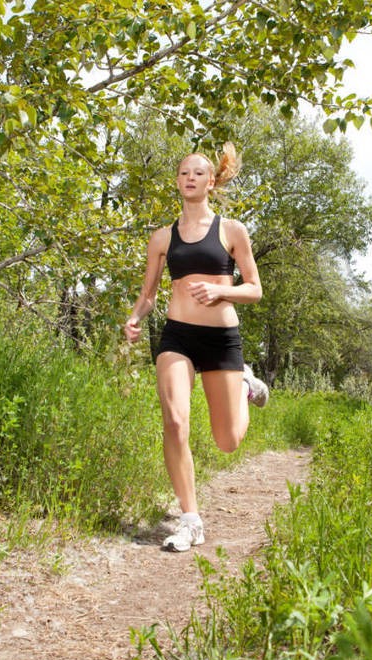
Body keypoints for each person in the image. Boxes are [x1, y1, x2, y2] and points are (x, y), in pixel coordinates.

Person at [123, 142, 269, 552]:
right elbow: (149, 294)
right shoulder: (161, 238)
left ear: (211, 182)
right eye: (184, 172)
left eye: (199, 173)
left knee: (228, 441)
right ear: (177, 182)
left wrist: (223, 293)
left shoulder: (231, 230)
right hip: (178, 337)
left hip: (222, 339)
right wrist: (136, 318)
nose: (190, 178)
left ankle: (244, 385)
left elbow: (255, 289)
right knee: (174, 420)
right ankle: (190, 520)